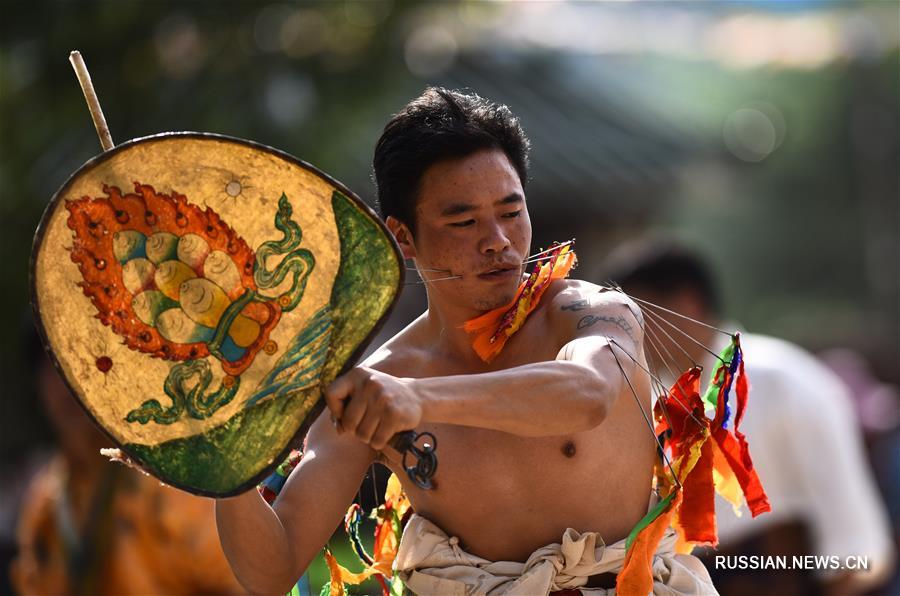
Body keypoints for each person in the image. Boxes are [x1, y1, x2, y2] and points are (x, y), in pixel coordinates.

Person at [215, 88, 717, 594]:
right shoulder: (381, 385)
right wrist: (219, 463)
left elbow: (587, 394)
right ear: (403, 237)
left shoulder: (592, 312)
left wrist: (418, 400)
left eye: (511, 211)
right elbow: (274, 567)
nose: (497, 240)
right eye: (463, 221)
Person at [601, 238, 896, 596]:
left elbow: (859, 553)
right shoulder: (651, 400)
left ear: (685, 304)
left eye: (631, 316)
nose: (622, 334)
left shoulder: (781, 380)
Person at [11, 326, 244, 595]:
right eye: (51, 363)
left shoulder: (169, 478)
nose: (65, 379)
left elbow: (236, 582)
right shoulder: (45, 504)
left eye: (80, 358)